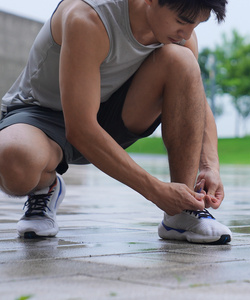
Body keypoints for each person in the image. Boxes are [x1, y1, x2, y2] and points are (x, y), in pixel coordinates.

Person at [0, 0, 232, 244]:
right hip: (40, 114)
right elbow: (80, 129)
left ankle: (183, 212)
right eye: (182, 21)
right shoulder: (90, 16)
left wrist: (209, 166)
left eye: (197, 24)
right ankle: (45, 187)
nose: (188, 33)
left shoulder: (179, 36)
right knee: (14, 162)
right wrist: (156, 191)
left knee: (183, 60)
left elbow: (194, 101)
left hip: (112, 112)